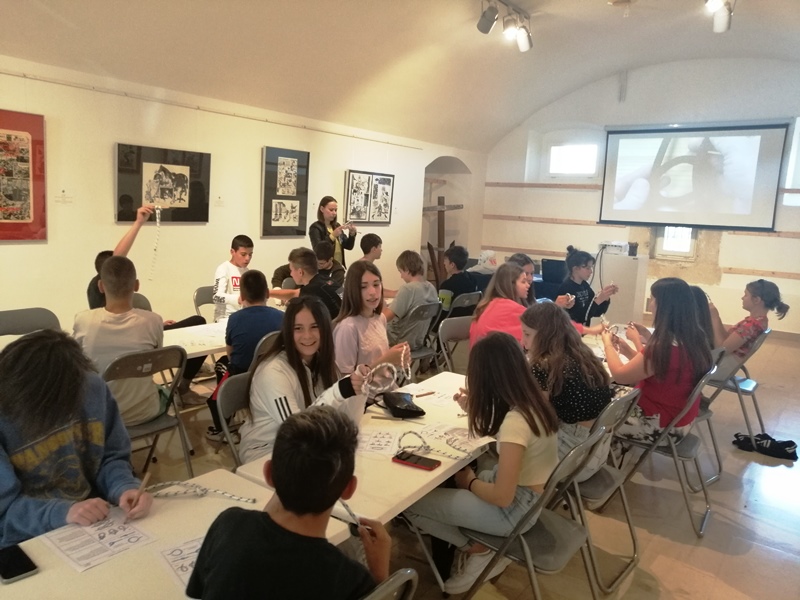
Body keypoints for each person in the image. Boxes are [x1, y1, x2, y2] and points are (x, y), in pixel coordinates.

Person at [404, 332, 559, 595]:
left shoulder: (516, 422)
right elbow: (510, 442)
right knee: (478, 467)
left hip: (514, 511)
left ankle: (478, 549)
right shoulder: (532, 402)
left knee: (411, 504)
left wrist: (470, 483)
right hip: (530, 499)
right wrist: (474, 408)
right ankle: (481, 541)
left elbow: (502, 497)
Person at [187, 406, 391, 599]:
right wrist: (380, 578)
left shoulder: (228, 524)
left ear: (268, 474)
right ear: (349, 489)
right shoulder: (350, 580)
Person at [0, 330, 153, 547]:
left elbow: (111, 457)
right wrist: (63, 512)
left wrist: (124, 486)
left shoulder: (90, 387)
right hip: (27, 536)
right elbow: (4, 511)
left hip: (93, 520)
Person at [74, 255, 202, 424]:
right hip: (146, 411)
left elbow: (78, 364)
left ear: (101, 286)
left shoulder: (83, 320)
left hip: (102, 415)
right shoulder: (153, 321)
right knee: (163, 391)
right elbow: (156, 360)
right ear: (136, 285)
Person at [238, 296, 367, 463]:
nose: (307, 336)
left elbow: (346, 421)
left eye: (315, 327)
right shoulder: (273, 372)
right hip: (266, 454)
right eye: (298, 328)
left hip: (310, 447)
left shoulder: (323, 363)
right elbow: (298, 431)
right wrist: (338, 392)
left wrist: (357, 392)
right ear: (288, 331)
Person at [601, 278, 712, 445]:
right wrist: (626, 350)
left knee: (590, 404)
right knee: (602, 393)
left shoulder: (663, 347)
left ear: (664, 306)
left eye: (653, 299)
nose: (650, 304)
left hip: (660, 425)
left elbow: (620, 375)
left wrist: (607, 344)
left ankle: (600, 451)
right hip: (679, 418)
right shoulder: (694, 338)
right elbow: (654, 368)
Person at [520, 302, 613, 481]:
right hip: (597, 452)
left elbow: (536, 415)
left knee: (505, 433)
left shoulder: (543, 365)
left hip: (571, 461)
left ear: (545, 335)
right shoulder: (582, 354)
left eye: (527, 334)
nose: (523, 341)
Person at [206, 270, 284, 442]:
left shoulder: (235, 319)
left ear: (241, 296)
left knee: (221, 364)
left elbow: (230, 354)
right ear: (267, 293)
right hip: (275, 374)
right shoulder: (282, 316)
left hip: (243, 378)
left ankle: (221, 426)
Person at [332, 261, 409, 375]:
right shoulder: (347, 327)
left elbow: (380, 364)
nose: (372, 292)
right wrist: (387, 359)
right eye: (363, 287)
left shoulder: (380, 318)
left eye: (376, 284)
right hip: (365, 387)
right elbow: (346, 379)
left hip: (386, 383)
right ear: (353, 290)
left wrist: (398, 360)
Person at [708, 279, 789, 359]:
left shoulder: (750, 326)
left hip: (721, 362)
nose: (742, 298)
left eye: (746, 295)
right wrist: (716, 317)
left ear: (756, 300)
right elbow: (727, 338)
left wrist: (714, 318)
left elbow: (720, 352)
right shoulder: (760, 321)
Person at [384, 250, 438, 349]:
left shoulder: (408, 289)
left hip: (399, 341)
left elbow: (385, 317)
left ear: (407, 269)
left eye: (401, 272)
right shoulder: (431, 288)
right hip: (419, 341)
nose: (401, 276)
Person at [469, 263, 530, 347]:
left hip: (478, 354)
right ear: (510, 284)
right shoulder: (513, 309)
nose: (528, 285)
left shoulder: (486, 304)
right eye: (523, 281)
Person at [558, 245, 618, 327]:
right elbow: (580, 317)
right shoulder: (566, 288)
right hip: (571, 332)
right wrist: (599, 299)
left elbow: (597, 312)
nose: (591, 271)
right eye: (587, 268)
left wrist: (605, 297)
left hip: (584, 331)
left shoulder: (585, 286)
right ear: (575, 269)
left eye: (591, 267)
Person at [507, 252, 576, 310]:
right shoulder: (508, 304)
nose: (530, 278)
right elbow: (531, 319)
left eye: (532, 273)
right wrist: (555, 306)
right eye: (526, 274)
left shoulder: (528, 296)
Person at [289, 247, 342, 319]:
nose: (291, 274)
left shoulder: (308, 292)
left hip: (332, 325)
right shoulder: (328, 280)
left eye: (291, 270)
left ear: (300, 272)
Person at [213, 234, 254, 322]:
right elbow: (216, 297)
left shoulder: (247, 271)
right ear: (232, 252)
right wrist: (237, 299)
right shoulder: (223, 269)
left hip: (243, 315)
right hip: (225, 317)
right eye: (243, 254)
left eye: (250, 254)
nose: (247, 258)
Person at [308, 196, 357, 267]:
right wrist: (332, 236)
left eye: (335, 210)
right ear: (322, 209)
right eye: (331, 210)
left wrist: (352, 234)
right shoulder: (315, 227)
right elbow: (317, 250)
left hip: (338, 266)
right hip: (324, 268)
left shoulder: (336, 226)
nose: (334, 213)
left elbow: (348, 246)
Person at [438, 246, 480, 316]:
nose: (444, 263)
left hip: (451, 321)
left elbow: (442, 312)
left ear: (452, 265)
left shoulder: (447, 286)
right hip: (469, 320)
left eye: (445, 260)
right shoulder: (473, 279)